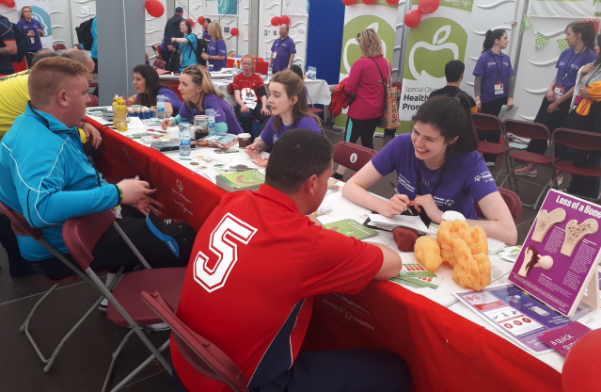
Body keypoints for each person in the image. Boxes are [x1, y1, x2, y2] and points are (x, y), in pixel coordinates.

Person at [171, 129, 411, 392]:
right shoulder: (306, 242)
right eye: (328, 179)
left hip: (188, 362)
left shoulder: (232, 201)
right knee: (395, 371)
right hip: (240, 383)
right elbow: (392, 263)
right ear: (312, 184)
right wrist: (319, 235)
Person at [0, 57, 195, 281]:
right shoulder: (41, 145)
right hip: (66, 244)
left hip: (76, 225)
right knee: (183, 241)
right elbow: (40, 209)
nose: (90, 100)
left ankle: (117, 282)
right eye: (84, 93)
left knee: (146, 202)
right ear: (63, 98)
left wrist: (119, 196)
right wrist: (117, 194)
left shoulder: (38, 122)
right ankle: (134, 299)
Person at [342, 94, 518, 245]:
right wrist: (384, 206)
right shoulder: (402, 144)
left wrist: (441, 216)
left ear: (451, 140)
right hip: (409, 235)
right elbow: (351, 187)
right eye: (416, 132)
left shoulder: (471, 163)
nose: (418, 144)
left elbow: (509, 233)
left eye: (429, 139)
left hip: (454, 242)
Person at [515, 21, 597, 181]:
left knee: (560, 137)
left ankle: (558, 174)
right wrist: (550, 89)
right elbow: (558, 76)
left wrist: (558, 102)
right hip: (553, 96)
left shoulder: (590, 57)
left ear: (578, 35)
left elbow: (580, 84)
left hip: (568, 102)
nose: (566, 38)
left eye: (568, 34)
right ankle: (532, 166)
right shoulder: (566, 52)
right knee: (539, 130)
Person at [333, 28, 391, 180]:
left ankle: (338, 175)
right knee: (367, 142)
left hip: (358, 112)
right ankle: (367, 175)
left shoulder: (361, 63)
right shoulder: (386, 63)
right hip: (376, 111)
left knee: (348, 143)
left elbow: (350, 87)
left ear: (363, 45)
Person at [245, 69, 322, 166]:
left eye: (276, 95)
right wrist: (257, 146)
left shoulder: (307, 124)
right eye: (270, 93)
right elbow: (264, 140)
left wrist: (277, 163)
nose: (270, 100)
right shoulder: (276, 118)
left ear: (293, 100)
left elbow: (313, 162)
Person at [562, 35, 601, 198]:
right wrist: (581, 74)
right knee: (577, 152)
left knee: (592, 154)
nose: (596, 49)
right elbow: (582, 86)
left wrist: (593, 94)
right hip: (584, 114)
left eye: (598, 46)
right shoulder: (596, 64)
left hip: (597, 118)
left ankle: (588, 195)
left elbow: (590, 89)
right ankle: (574, 188)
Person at [473, 29, 516, 165]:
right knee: (483, 130)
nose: (507, 41)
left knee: (496, 129)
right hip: (486, 99)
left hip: (501, 99)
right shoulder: (484, 57)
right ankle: (473, 155)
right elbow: (478, 80)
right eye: (505, 38)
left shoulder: (506, 58)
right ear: (497, 40)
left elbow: (510, 79)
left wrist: (510, 97)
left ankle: (490, 160)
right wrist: (477, 98)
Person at [161, 65, 242, 134]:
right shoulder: (190, 99)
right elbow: (182, 117)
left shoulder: (211, 101)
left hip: (235, 146)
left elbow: (220, 130)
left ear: (199, 88)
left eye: (185, 84)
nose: (179, 88)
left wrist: (194, 132)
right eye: (180, 83)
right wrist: (172, 122)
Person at [232, 54, 271, 136]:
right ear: (241, 64)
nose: (246, 66)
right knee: (245, 116)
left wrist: (264, 107)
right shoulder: (237, 78)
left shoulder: (258, 79)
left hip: (257, 103)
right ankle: (248, 138)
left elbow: (263, 95)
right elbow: (237, 96)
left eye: (249, 64)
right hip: (244, 103)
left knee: (266, 116)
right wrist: (242, 105)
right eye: (244, 64)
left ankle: (263, 137)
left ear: (252, 66)